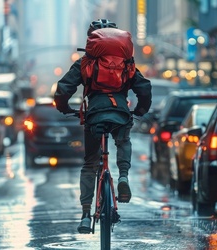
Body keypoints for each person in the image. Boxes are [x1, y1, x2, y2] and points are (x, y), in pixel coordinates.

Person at [54, 19, 152, 234]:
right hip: (120, 113)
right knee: (123, 140)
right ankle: (123, 176)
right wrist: (141, 110)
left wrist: (63, 108)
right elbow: (144, 88)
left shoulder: (84, 63)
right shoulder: (127, 62)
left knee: (90, 163)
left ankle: (86, 214)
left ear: (91, 40)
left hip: (95, 115)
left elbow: (63, 89)